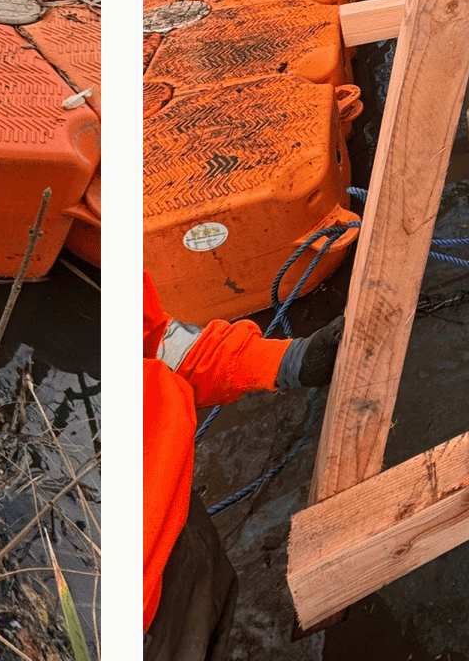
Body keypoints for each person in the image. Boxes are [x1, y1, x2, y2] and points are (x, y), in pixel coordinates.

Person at [143, 275, 343, 659]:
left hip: (180, 520)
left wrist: (287, 361)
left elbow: (160, 341)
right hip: (139, 615)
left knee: (213, 611)